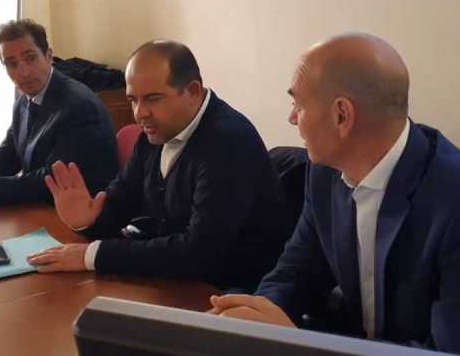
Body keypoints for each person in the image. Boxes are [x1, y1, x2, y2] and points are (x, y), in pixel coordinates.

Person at [207, 33, 460, 355]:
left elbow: (454, 352)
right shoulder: (324, 174)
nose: (291, 118)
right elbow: (296, 272)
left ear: (342, 115)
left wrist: (295, 345)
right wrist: (254, 320)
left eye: (298, 104)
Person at [28, 40, 292, 291]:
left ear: (193, 92)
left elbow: (199, 253)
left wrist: (93, 255)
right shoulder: (157, 131)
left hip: (228, 292)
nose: (139, 113)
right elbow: (120, 202)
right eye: (133, 100)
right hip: (176, 280)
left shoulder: (228, 142)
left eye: (153, 98)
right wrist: (87, 221)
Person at [0, 19, 117, 207]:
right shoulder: (24, 100)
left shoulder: (79, 106)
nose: (23, 72)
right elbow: (4, 160)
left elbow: (52, 181)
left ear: (49, 56)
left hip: (82, 215)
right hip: (41, 209)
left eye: (30, 58)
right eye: (11, 64)